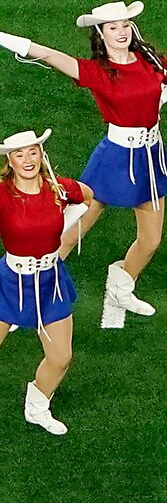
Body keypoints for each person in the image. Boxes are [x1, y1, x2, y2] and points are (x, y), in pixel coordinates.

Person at [0, 1, 167, 319]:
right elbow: (47, 55)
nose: (121, 31)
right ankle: (32, 297)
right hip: (114, 158)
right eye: (113, 27)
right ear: (101, 33)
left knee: (151, 240)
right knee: (72, 231)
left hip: (150, 159)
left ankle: (120, 287)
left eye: (125, 25)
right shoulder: (96, 72)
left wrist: (156, 105)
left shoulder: (149, 59)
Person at [0, 129, 88, 433]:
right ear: (10, 161)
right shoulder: (2, 193)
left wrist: (66, 227)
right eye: (19, 154)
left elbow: (87, 196)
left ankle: (37, 406)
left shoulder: (59, 189)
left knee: (61, 357)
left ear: (41, 154)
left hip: (50, 280)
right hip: (11, 282)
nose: (28, 159)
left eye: (32, 152)